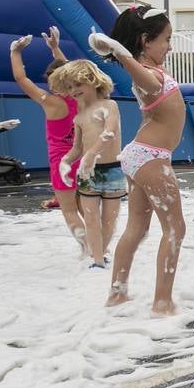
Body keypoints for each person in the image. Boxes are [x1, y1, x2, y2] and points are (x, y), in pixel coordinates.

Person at [88, 6, 188, 314]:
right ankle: (162, 301)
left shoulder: (151, 73)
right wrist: (120, 52)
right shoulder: (149, 76)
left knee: (138, 227)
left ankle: (118, 293)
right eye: (166, 39)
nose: (170, 46)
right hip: (151, 158)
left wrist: (122, 52)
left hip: (139, 156)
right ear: (146, 41)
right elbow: (139, 73)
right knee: (175, 229)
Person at [10, 29, 86, 254]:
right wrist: (54, 48)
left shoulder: (50, 102)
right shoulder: (80, 98)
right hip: (82, 158)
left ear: (53, 82)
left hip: (61, 162)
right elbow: (67, 68)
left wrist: (15, 52)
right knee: (85, 208)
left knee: (69, 210)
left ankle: (87, 247)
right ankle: (99, 246)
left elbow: (20, 78)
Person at [49, 59, 124, 267]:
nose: (73, 90)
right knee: (91, 219)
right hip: (88, 174)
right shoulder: (79, 117)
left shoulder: (109, 105)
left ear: (93, 80)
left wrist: (91, 154)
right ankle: (97, 261)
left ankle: (102, 252)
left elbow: (110, 132)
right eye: (70, 87)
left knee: (108, 222)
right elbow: (77, 149)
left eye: (78, 84)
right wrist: (64, 162)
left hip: (113, 172)